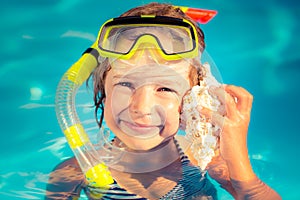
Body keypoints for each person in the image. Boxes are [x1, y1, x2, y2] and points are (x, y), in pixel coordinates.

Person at [46, 2, 281, 199]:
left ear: (192, 99)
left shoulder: (201, 159)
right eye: (125, 84)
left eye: (165, 88)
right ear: (103, 90)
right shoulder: (75, 172)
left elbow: (250, 192)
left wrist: (240, 163)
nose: (141, 108)